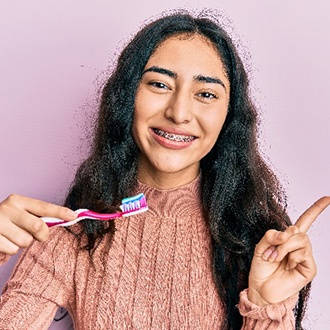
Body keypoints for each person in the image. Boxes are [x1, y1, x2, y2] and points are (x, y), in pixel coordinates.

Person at [0, 11, 329, 330]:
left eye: (205, 94)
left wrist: (265, 307)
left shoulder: (256, 242)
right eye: (159, 85)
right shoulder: (71, 234)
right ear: (127, 96)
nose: (180, 113)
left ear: (229, 116)